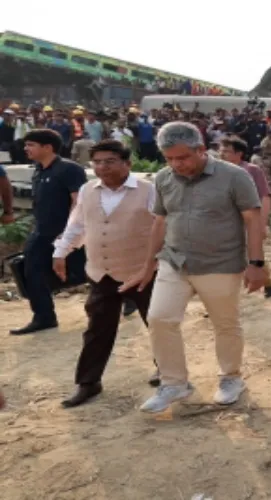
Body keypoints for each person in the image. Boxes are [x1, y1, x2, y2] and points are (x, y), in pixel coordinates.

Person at [120, 122, 266, 413]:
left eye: (183, 157)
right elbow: (160, 222)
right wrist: (147, 266)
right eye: (170, 158)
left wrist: (257, 264)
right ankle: (174, 383)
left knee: (225, 323)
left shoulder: (234, 177)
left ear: (201, 150)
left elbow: (253, 219)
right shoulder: (163, 179)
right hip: (174, 261)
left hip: (220, 263)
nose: (177, 164)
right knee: (160, 319)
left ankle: (230, 378)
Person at [53, 140, 159, 407]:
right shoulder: (88, 190)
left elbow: (165, 227)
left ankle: (168, 372)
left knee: (158, 324)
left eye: (109, 161)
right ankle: (88, 382)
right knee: (97, 328)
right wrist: (61, 252)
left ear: (127, 163)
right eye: (97, 162)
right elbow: (77, 224)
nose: (102, 167)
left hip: (143, 270)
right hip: (102, 272)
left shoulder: (149, 191)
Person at [10, 129, 87, 335]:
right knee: (31, 271)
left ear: (47, 147)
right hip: (42, 232)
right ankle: (44, 316)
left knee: (90, 269)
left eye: (31, 145)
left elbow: (78, 201)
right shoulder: (39, 170)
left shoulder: (69, 169)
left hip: (65, 233)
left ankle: (128, 294)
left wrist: (69, 232)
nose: (26, 149)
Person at [219, 135, 271, 298]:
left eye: (226, 151)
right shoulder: (217, 172)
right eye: (220, 151)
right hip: (224, 224)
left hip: (248, 223)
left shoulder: (252, 170)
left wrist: (262, 224)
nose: (222, 154)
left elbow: (265, 196)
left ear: (239, 154)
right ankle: (219, 298)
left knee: (253, 255)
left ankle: (267, 281)